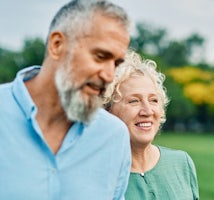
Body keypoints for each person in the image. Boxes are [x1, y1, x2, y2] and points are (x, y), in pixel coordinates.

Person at [0, 1, 132, 199]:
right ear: (57, 45)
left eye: (116, 63)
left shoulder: (114, 137)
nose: (109, 75)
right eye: (100, 56)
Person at [103, 51, 200, 200]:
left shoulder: (182, 163)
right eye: (134, 101)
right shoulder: (95, 174)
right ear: (107, 111)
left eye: (153, 100)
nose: (147, 111)